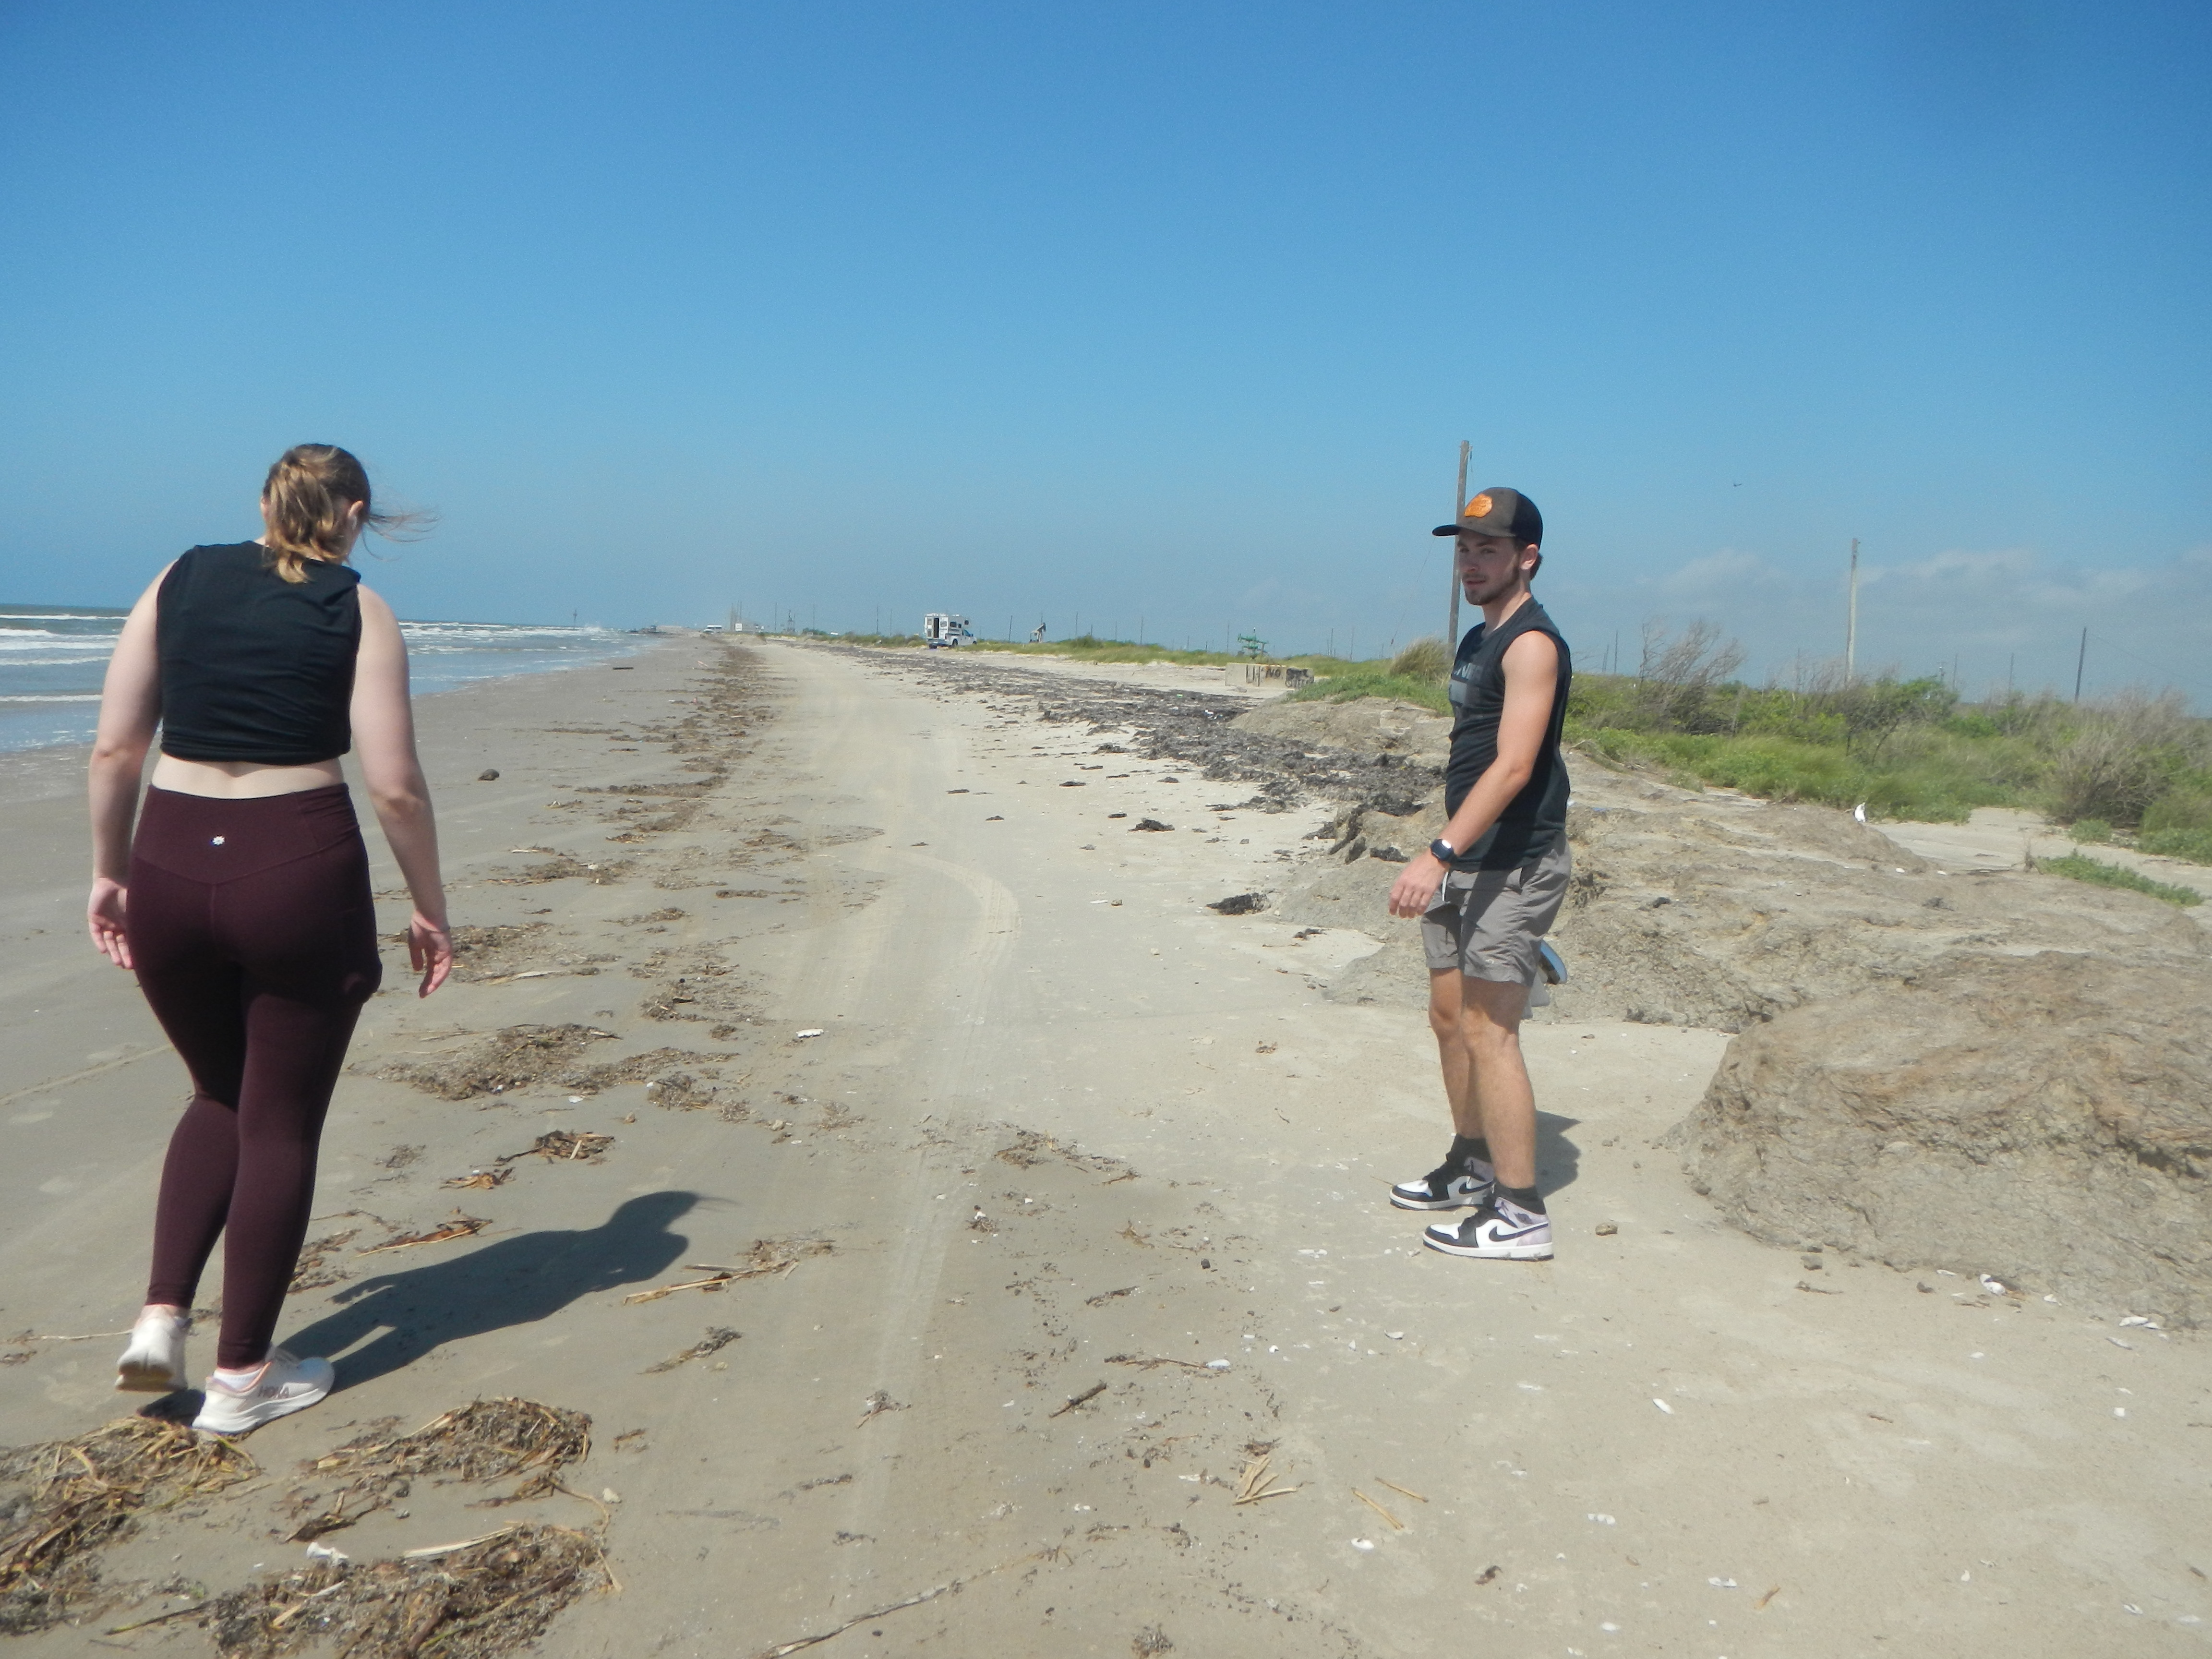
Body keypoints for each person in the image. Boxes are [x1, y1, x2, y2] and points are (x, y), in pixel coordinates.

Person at [87, 444, 454, 1433]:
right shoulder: (359, 609)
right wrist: (430, 905)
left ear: (262, 504)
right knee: (279, 1121)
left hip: (169, 860)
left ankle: (160, 1322)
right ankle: (242, 1378)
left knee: (218, 1091)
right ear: (355, 512)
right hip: (295, 870)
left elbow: (119, 745)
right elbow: (394, 784)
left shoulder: (179, 577)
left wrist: (109, 871)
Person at [1384, 487, 1572, 1262]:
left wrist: (1439, 853)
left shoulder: (1532, 644)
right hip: (1469, 855)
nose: (1471, 562)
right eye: (1464, 548)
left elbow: (1517, 765)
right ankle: (1472, 1161)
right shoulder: (1476, 638)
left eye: (1488, 549)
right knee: (1449, 1018)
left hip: (1512, 860)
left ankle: (1522, 1213)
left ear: (1527, 556)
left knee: (1493, 1031)